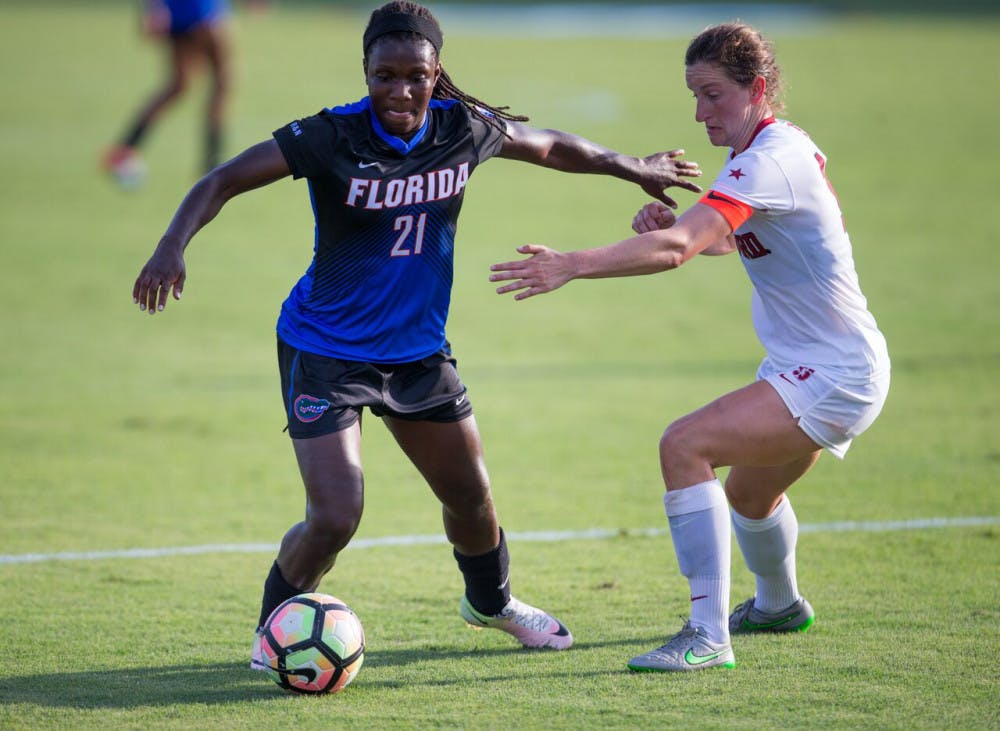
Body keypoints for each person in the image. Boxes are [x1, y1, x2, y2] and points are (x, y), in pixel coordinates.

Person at [132, 0, 702, 663]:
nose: (399, 91)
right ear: (366, 71)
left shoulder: (462, 128)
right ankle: (272, 636)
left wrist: (631, 165)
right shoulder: (329, 136)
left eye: (414, 76)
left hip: (416, 354)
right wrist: (172, 244)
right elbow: (223, 179)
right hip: (325, 350)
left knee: (471, 496)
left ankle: (491, 603)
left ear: (437, 74)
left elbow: (546, 144)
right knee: (336, 517)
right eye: (384, 75)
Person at [490, 22, 890, 672]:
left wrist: (572, 263)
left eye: (712, 94)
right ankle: (779, 604)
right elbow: (726, 238)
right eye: (693, 96)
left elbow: (678, 252)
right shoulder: (764, 152)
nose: (701, 112)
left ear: (756, 89)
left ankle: (706, 635)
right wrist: (679, 226)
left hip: (832, 374)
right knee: (749, 499)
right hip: (833, 368)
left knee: (685, 445)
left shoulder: (768, 159)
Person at [103, 0, 231, 187]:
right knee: (223, 81)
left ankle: (126, 148)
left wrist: (154, 8)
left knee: (178, 86)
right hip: (201, 12)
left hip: (177, 13)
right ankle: (213, 164)